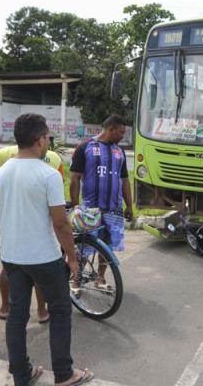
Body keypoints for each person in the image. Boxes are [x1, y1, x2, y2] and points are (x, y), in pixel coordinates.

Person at [0, 113, 93, 386]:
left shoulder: (0, 175)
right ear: (39, 140)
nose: (49, 141)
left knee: (17, 315)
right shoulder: (47, 175)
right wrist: (72, 259)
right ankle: (64, 373)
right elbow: (60, 224)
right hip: (43, 257)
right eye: (48, 137)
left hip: (11, 256)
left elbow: (0, 220)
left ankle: (21, 375)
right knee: (60, 311)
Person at [0, 145, 65, 323]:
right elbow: (59, 187)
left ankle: (5, 308)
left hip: (12, 226)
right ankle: (41, 311)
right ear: (39, 139)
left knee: (10, 267)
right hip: (41, 228)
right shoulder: (53, 158)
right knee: (39, 268)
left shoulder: (4, 155)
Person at [69, 114, 133, 284]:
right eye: (120, 132)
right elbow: (74, 179)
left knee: (107, 246)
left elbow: (125, 180)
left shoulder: (120, 152)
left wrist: (129, 206)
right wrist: (76, 207)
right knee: (84, 247)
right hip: (90, 210)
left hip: (113, 209)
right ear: (110, 129)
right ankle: (76, 279)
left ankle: (100, 276)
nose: (122, 136)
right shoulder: (85, 147)